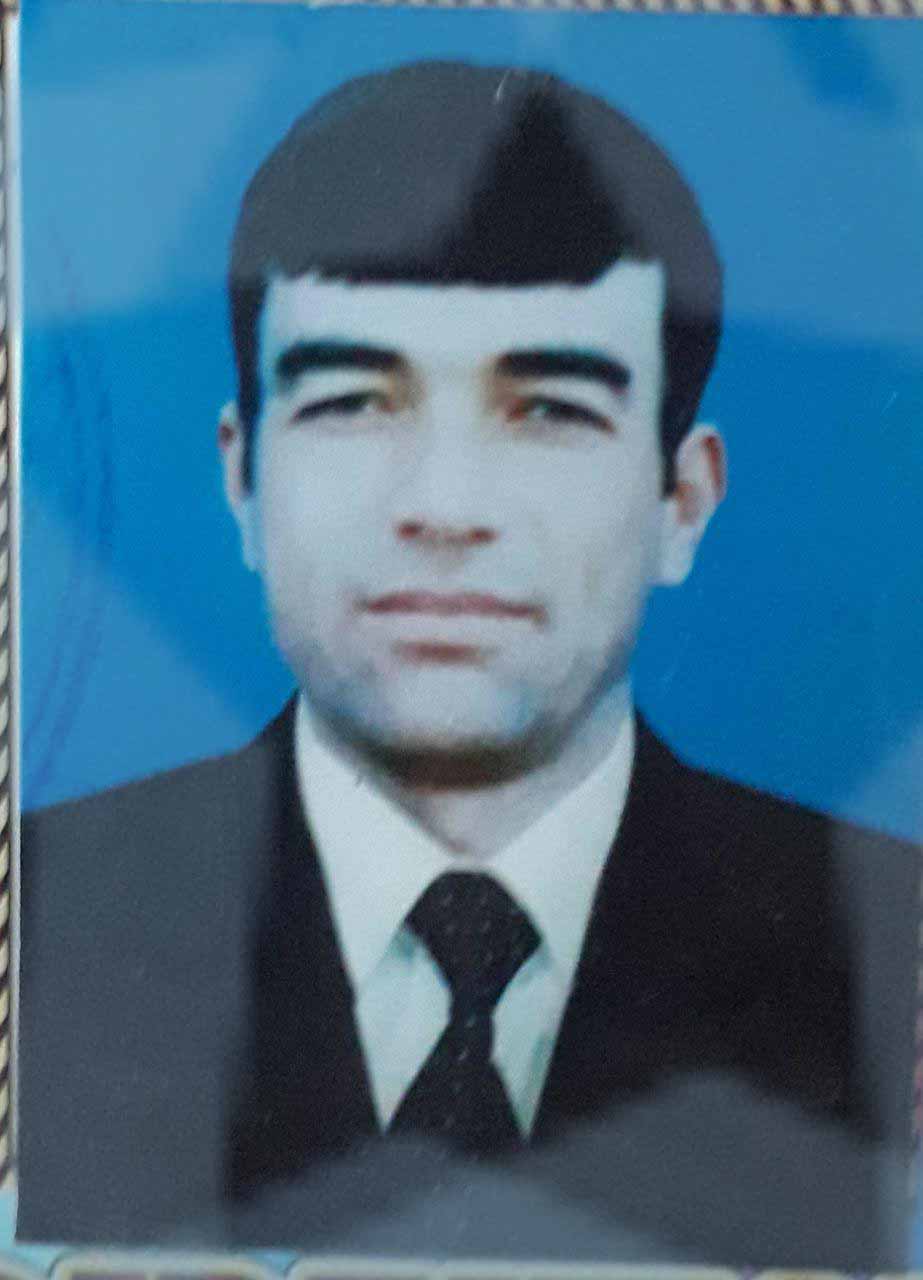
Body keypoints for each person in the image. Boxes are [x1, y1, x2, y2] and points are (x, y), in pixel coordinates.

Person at [17, 61, 920, 1267]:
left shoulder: (885, 940)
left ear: (682, 498)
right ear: (242, 478)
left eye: (549, 409)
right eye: (352, 400)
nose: (443, 508)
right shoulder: (44, 915)